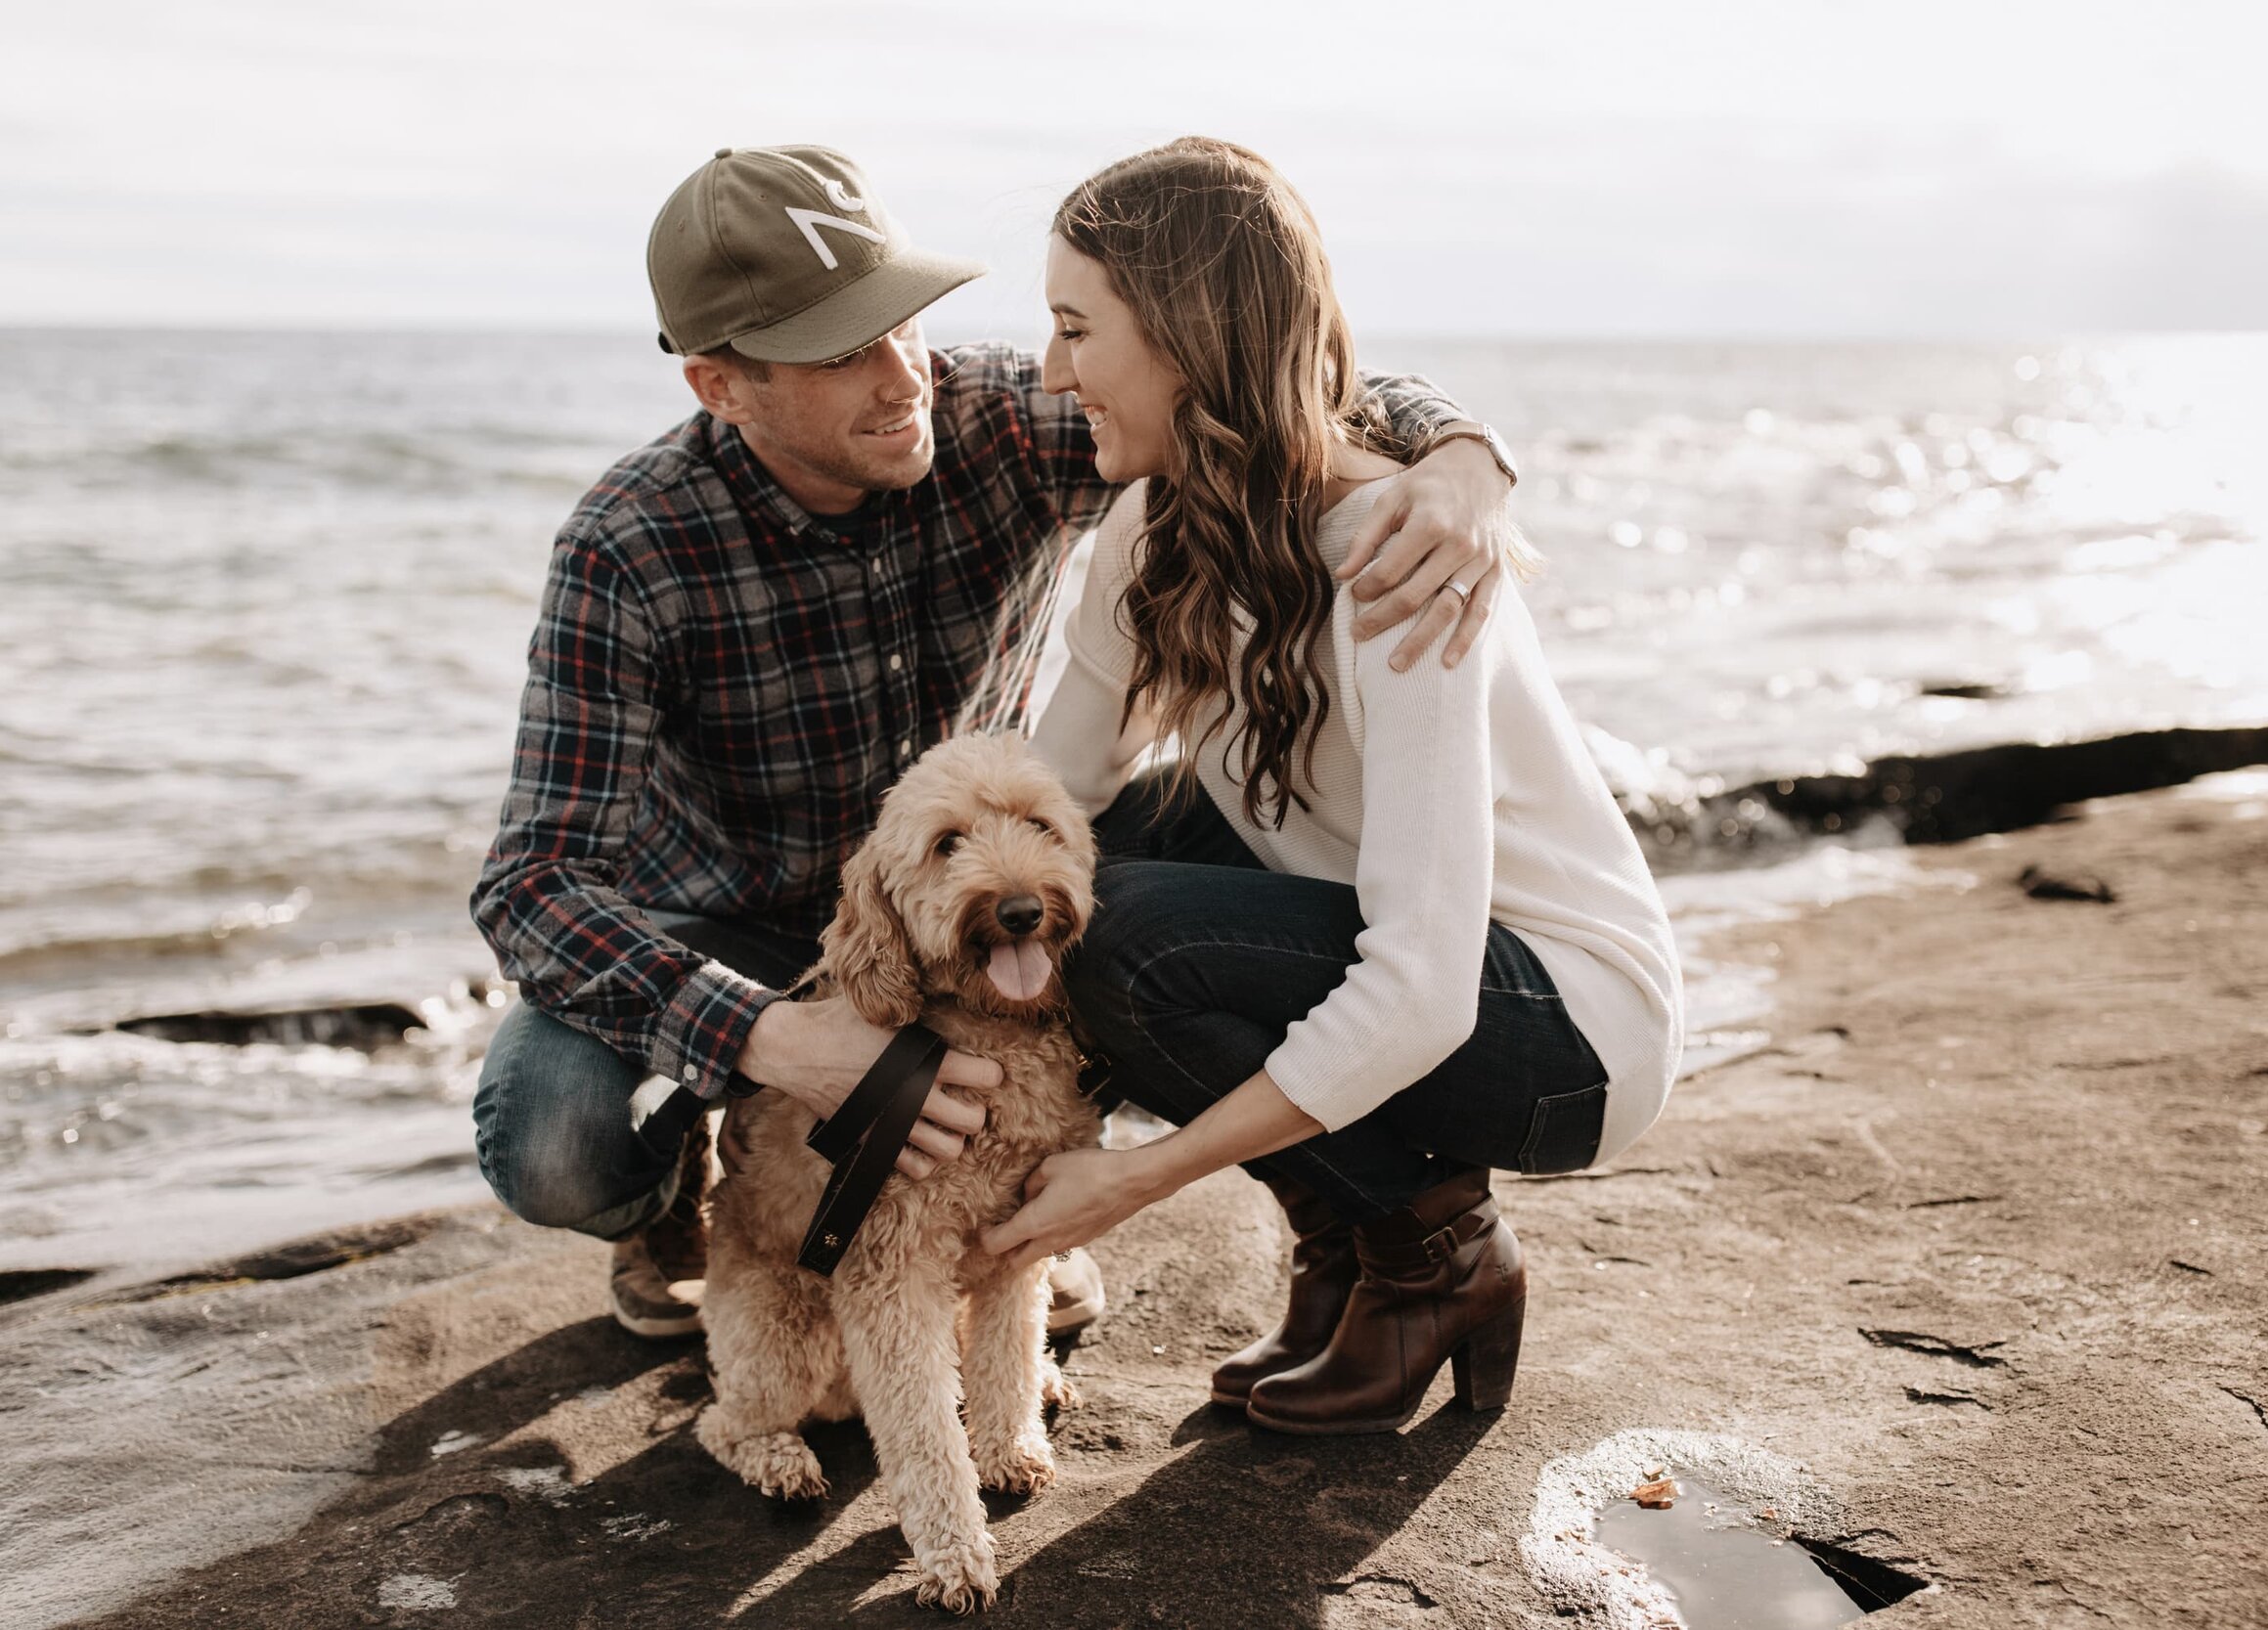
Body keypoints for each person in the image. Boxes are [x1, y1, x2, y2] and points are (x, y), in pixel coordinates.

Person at [467, 143, 1522, 1339]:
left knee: (1193, 855)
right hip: (741, 933)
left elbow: (1250, 383)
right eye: (840, 349)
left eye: (901, 321)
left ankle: (1030, 1188)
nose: (900, 374)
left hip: (977, 897)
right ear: (722, 387)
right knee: (551, 1135)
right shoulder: (630, 544)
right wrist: (779, 1039)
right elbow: (530, 885)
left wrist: (1460, 456)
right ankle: (691, 1202)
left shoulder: (997, 425)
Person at [983, 138, 1684, 1435]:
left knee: (1125, 935)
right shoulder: (1150, 526)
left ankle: (1436, 1253)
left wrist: (1129, 1178)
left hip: (1565, 1022)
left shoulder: (1397, 555)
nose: (1052, 370)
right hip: (1402, 941)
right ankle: (1347, 1239)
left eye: (1078, 328)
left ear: (1190, 335)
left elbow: (1420, 983)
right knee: (1072, 868)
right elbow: (1048, 794)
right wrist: (881, 981)